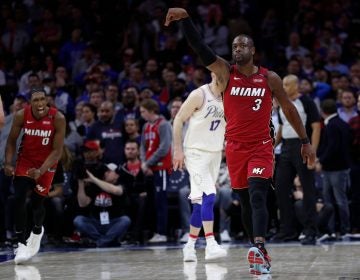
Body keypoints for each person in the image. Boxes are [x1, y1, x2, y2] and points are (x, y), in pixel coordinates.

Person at [165, 8, 316, 275]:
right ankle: (255, 248)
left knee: (258, 194)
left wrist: (305, 140)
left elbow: (289, 110)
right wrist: (186, 19)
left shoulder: (269, 78)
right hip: (234, 147)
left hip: (261, 146)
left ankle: (259, 247)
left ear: (253, 50)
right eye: (235, 45)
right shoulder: (225, 73)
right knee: (246, 201)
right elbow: (201, 48)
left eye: (243, 44)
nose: (238, 48)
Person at [4, 87, 66, 264]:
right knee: (19, 198)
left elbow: (57, 151)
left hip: (47, 163)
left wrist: (41, 170)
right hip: (25, 161)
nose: (39, 103)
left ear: (47, 100)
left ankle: (37, 231)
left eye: (42, 99)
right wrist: (8, 163)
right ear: (29, 103)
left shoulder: (58, 118)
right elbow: (11, 141)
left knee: (38, 203)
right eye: (35, 100)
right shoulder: (21, 115)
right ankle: (21, 242)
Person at [173, 72, 227, 261]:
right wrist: (177, 149)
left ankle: (189, 246)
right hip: (195, 153)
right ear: (213, 74)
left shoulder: (229, 98)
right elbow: (178, 120)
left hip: (215, 153)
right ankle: (211, 244)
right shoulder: (199, 94)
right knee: (210, 195)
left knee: (199, 204)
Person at [273, 74, 320, 245]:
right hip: (286, 148)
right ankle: (287, 230)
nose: (283, 87)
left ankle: (311, 231)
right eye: (282, 84)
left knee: (308, 190)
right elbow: (281, 127)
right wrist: (271, 146)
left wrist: (312, 150)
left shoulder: (306, 102)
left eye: (286, 84)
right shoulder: (281, 104)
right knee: (280, 188)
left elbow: (316, 128)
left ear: (295, 85)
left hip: (302, 146)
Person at [74, 162, 131, 247]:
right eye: (106, 171)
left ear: (117, 175)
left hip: (112, 223)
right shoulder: (95, 186)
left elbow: (115, 191)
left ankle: (99, 243)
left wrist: (93, 179)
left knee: (125, 220)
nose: (106, 173)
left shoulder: (121, 185)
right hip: (96, 223)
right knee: (78, 220)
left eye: (109, 171)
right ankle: (106, 241)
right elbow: (82, 203)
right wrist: (81, 183)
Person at [140, 99, 172, 243]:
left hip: (161, 168)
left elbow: (165, 147)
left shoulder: (164, 125)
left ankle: (163, 233)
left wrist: (147, 163)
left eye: (143, 111)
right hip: (149, 168)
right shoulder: (146, 126)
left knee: (161, 201)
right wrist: (144, 163)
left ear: (152, 111)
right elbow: (142, 146)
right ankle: (155, 231)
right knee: (152, 202)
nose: (141, 114)